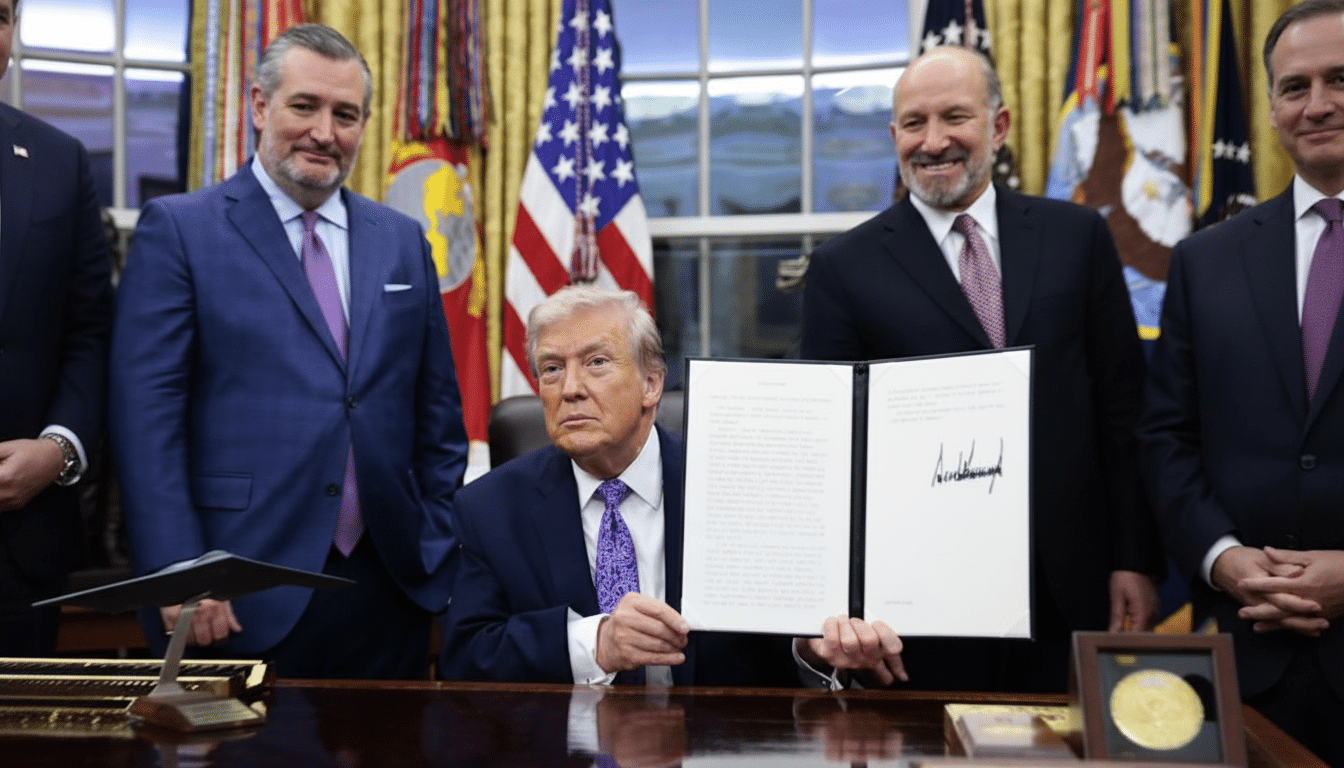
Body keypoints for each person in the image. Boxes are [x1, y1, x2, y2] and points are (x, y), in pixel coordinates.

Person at [109, 23, 468, 679]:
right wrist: (179, 569)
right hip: (235, 593)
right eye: (305, 106)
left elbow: (438, 420)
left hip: (390, 592)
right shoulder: (181, 231)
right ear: (258, 106)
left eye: (346, 114)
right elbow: (145, 422)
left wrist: (435, 548)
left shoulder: (403, 241)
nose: (324, 132)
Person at [801, 45, 1162, 693]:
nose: (933, 141)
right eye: (914, 123)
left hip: (1071, 584)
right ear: (893, 136)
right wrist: (841, 599)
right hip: (918, 604)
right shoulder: (842, 269)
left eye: (955, 118)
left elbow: (1122, 409)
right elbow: (830, 456)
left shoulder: (1077, 236)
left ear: (999, 126)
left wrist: (1134, 559)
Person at [440, 285, 905, 687]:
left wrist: (810, 649)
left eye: (596, 362)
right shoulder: (489, 507)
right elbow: (464, 660)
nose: (571, 389)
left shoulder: (743, 488)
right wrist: (594, 643)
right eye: (552, 369)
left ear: (651, 384)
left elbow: (779, 647)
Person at [1138, 1, 1344, 762]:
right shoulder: (1206, 259)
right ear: (1270, 107)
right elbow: (1166, 436)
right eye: (1295, 87)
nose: (1317, 104)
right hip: (1244, 661)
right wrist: (1222, 556)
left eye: (1339, 79)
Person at [0, 0, 113, 655]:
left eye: (1, 14)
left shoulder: (58, 161)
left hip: (20, 552)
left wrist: (60, 448)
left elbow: (91, 332)